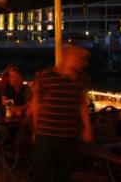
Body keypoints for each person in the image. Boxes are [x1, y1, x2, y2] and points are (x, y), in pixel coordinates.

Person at [31, 46, 92, 182]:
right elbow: (36, 104)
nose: (83, 63)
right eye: (80, 58)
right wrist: (36, 130)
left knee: (62, 174)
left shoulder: (81, 79)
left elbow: (82, 104)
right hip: (46, 135)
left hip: (69, 135)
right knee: (41, 174)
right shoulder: (46, 76)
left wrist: (87, 128)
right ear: (67, 57)